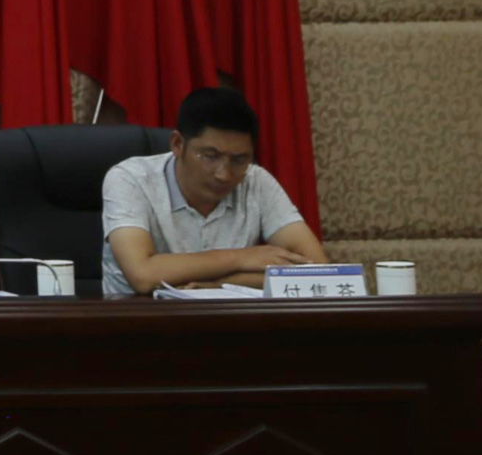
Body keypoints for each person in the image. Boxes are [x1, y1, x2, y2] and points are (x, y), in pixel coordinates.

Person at [101, 84, 327, 296]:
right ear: (177, 144)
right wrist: (242, 258)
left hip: (229, 320)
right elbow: (142, 275)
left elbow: (318, 271)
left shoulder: (255, 181)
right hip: (140, 319)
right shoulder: (130, 179)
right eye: (210, 156)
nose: (224, 174)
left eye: (239, 160)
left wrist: (222, 283)